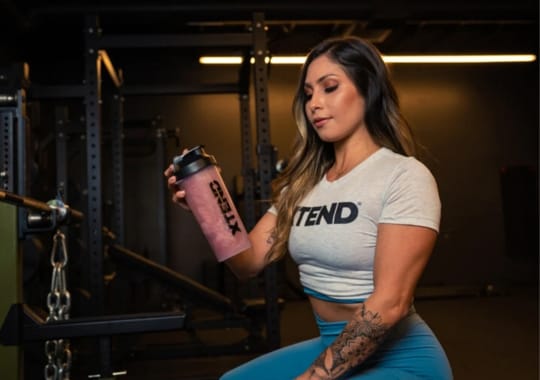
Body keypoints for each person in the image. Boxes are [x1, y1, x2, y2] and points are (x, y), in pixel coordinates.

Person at [164, 36, 452, 380]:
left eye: (329, 87)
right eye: (308, 93)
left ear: (368, 89)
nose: (314, 103)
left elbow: (390, 303)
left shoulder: (404, 176)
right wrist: (208, 203)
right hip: (332, 343)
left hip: (400, 356)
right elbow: (247, 262)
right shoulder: (301, 186)